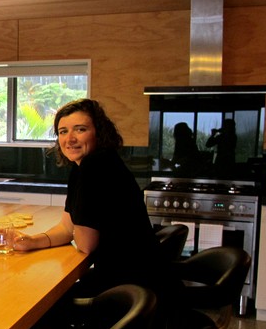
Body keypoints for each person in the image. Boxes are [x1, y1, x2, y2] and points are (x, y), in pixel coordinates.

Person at [11, 99, 167, 299]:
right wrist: (32, 241)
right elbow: (67, 229)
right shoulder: (82, 168)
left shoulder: (95, 166)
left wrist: (77, 229)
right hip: (134, 279)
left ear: (99, 133)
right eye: (63, 131)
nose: (70, 139)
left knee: (35, 298)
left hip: (130, 288)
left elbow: (86, 245)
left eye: (80, 129)